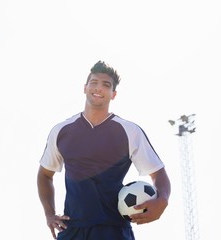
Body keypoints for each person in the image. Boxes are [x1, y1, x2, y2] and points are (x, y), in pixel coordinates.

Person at [37, 60, 171, 240]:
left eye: (105, 85)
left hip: (113, 230)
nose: (98, 88)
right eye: (94, 83)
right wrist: (49, 214)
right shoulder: (62, 131)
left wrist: (162, 200)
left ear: (113, 94)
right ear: (84, 88)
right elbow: (45, 175)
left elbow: (158, 173)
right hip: (72, 230)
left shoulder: (129, 131)